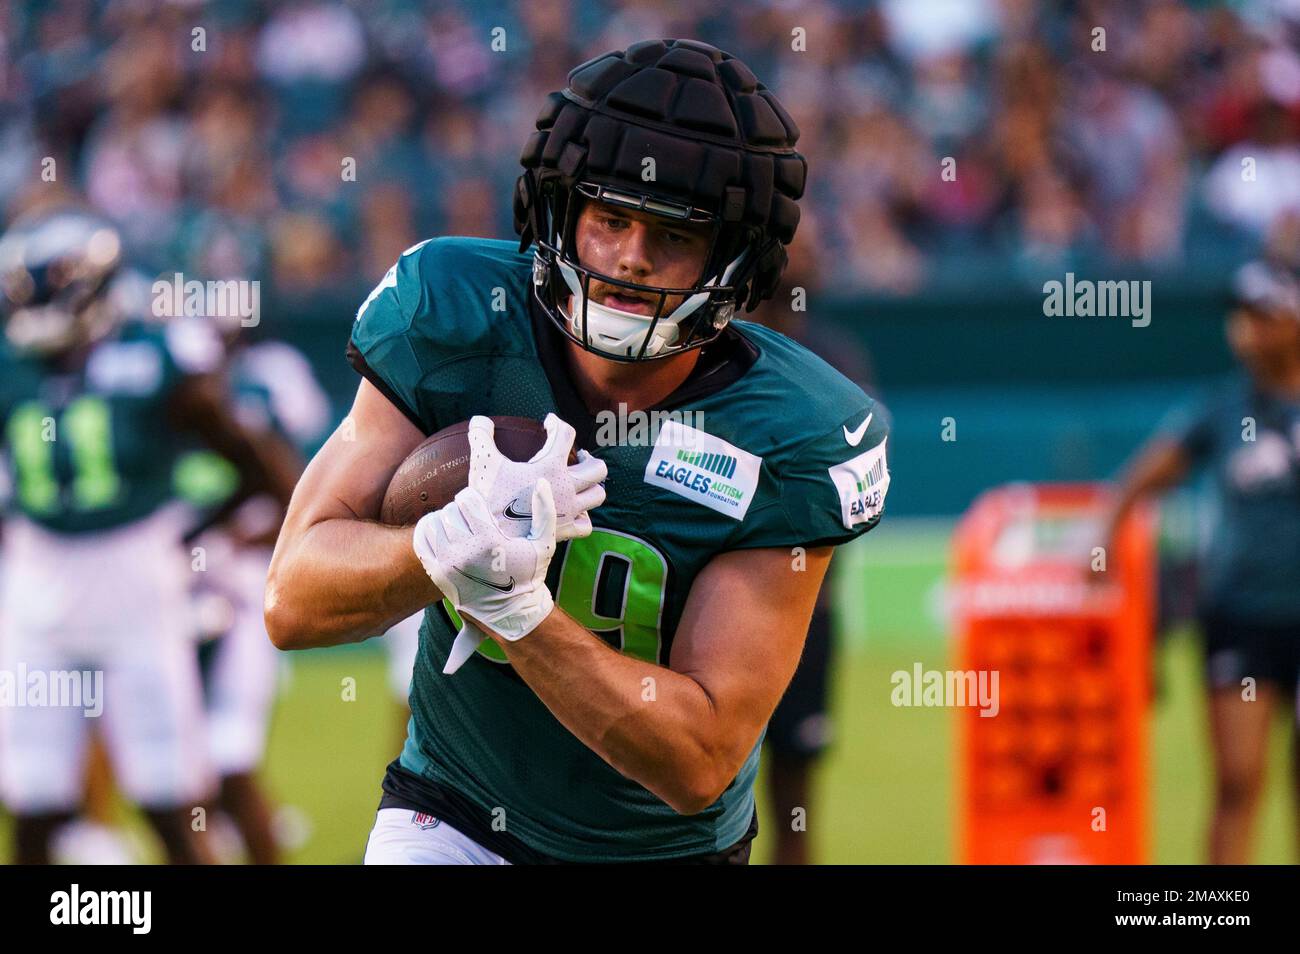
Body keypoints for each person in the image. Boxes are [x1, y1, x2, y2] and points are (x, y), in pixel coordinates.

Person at [266, 39, 891, 865]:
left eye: (673, 233)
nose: (631, 256)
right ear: (560, 211)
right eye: (610, 218)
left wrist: (517, 610)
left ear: (734, 256)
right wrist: (441, 547)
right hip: (452, 814)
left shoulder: (791, 428)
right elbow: (292, 598)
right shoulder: (456, 312)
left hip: (664, 851)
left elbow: (699, 760)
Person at [0, 206, 297, 864]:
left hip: (137, 584)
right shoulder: (12, 366)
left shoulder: (153, 358)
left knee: (170, 793)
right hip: (36, 585)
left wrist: (210, 529)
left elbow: (256, 461)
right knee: (34, 795)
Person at [1098, 260, 1300, 864]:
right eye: (1239, 318)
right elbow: (1143, 476)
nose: (1244, 332)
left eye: (1260, 316)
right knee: (1238, 781)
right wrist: (1104, 534)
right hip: (1239, 612)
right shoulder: (1223, 408)